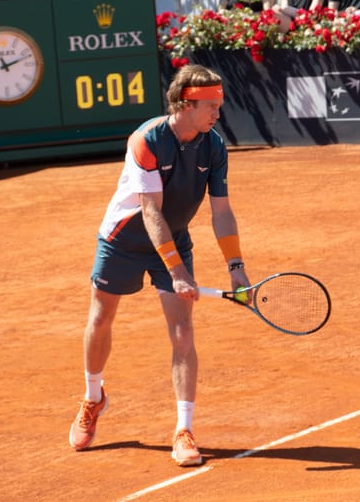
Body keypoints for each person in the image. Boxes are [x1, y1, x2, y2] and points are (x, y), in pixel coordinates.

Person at [68, 64, 252, 467]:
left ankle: (183, 430)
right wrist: (178, 273)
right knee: (101, 318)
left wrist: (236, 266)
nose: (218, 114)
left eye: (219, 105)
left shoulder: (214, 145)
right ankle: (93, 397)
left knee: (183, 331)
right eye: (211, 106)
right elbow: (151, 213)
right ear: (185, 104)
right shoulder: (146, 140)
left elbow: (221, 211)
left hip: (175, 237)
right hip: (123, 240)